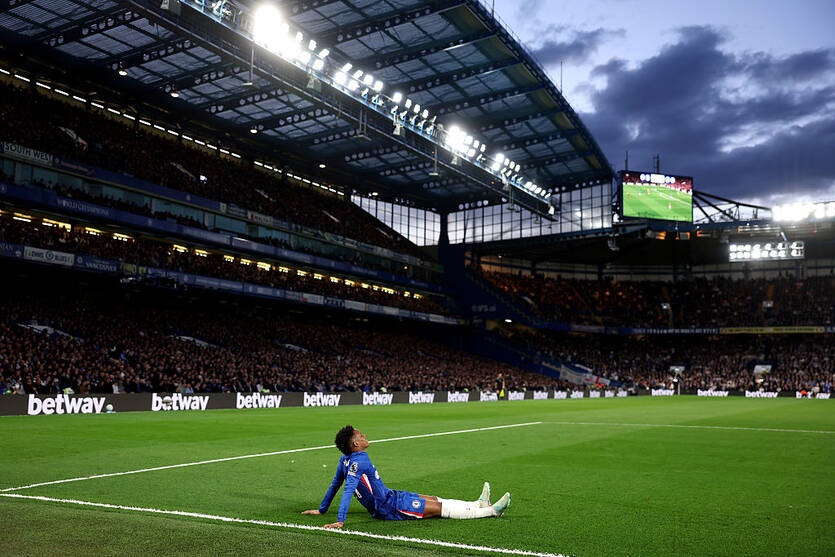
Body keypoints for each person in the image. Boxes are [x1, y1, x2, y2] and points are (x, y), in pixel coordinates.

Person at [302, 425, 511, 528]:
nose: (364, 436)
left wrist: (322, 510)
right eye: (360, 435)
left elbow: (335, 484)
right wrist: (340, 520)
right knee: (440, 509)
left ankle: (478, 503)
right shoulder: (360, 460)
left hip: (391, 496)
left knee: (433, 499)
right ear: (356, 444)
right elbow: (347, 489)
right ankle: (491, 512)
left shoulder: (345, 460)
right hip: (389, 507)